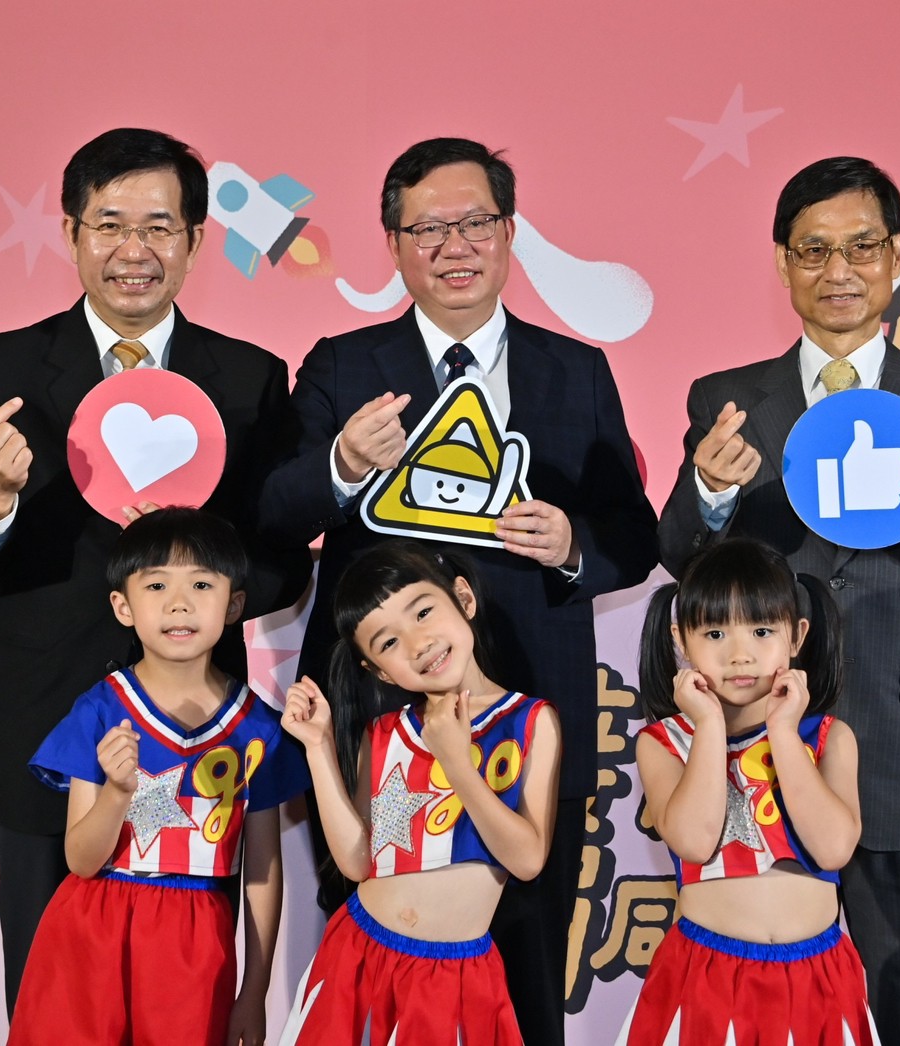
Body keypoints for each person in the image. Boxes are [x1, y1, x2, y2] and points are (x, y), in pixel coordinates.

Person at [259, 137, 657, 1043]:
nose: (454, 246)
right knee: (375, 959)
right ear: (394, 245)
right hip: (379, 706)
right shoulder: (343, 365)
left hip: (533, 702)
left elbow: (633, 537)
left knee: (530, 963)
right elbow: (273, 512)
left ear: (509, 232)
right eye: (427, 229)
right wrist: (342, 464)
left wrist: (572, 545)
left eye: (475, 222)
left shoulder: (576, 369)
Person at [0, 127, 311, 1018]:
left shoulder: (250, 379)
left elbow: (282, 566)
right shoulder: (0, 369)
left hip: (199, 745)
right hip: (43, 737)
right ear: (71, 233)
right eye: (109, 224)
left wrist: (197, 563)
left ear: (195, 241)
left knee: (190, 1001)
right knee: (50, 1006)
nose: (134, 249)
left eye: (159, 227)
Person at [656, 155, 900, 1046]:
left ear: (897, 254)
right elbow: (679, 557)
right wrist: (709, 494)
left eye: (862, 247)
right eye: (814, 250)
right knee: (765, 1012)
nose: (840, 270)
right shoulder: (727, 400)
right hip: (760, 749)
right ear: (782, 262)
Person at [7, 508, 309, 1046]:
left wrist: (255, 990)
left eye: (201, 584)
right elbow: (81, 860)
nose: (179, 602)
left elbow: (262, 871)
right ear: (123, 606)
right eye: (156, 585)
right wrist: (116, 793)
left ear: (234, 604)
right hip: (90, 935)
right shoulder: (100, 710)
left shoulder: (258, 728)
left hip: (195, 945)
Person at [277, 541, 560, 1044]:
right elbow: (358, 863)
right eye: (388, 642)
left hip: (456, 979)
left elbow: (527, 859)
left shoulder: (530, 721)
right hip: (357, 958)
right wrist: (319, 748)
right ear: (379, 671)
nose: (417, 643)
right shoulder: (384, 733)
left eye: (423, 612)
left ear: (464, 599)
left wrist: (457, 761)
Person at [622, 538, 875, 1045]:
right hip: (705, 978)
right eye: (715, 633)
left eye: (762, 631)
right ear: (680, 639)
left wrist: (783, 730)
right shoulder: (663, 742)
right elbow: (694, 842)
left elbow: (833, 849)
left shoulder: (828, 738)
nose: (740, 655)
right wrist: (708, 726)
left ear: (797, 636)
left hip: (819, 981)